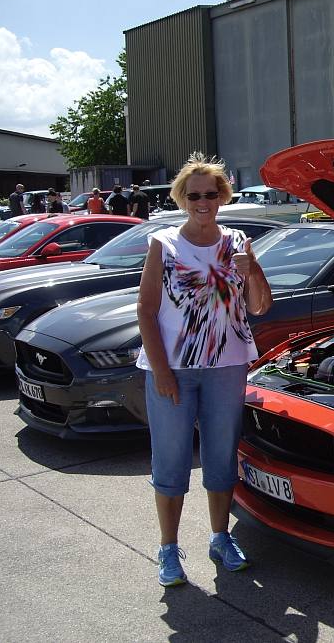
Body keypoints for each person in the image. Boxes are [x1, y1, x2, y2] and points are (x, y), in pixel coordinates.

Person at [136, 151, 272, 588]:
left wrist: (253, 271)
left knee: (221, 455)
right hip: (174, 369)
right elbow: (146, 311)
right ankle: (168, 548)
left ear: (222, 196)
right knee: (171, 458)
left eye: (210, 194)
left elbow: (259, 306)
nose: (202, 202)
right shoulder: (164, 244)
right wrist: (161, 370)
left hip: (226, 367)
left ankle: (220, 537)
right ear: (181, 198)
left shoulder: (238, 242)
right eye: (194, 195)